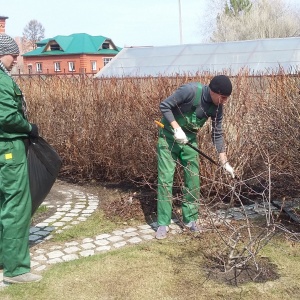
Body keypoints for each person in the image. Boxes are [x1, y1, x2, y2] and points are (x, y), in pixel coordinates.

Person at [156, 75, 235, 240]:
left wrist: (224, 161)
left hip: (189, 140)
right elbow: (164, 106)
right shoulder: (190, 91)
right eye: (223, 97)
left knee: (193, 179)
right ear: (214, 92)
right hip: (169, 137)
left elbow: (217, 133)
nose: (224, 101)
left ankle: (190, 220)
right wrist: (176, 128)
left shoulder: (218, 107)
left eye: (227, 98)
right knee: (165, 179)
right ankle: (163, 223)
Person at [0, 34, 41, 283]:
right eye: (13, 54)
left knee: (4, 204)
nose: (16, 59)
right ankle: (16, 270)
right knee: (16, 207)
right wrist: (29, 127)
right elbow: (6, 118)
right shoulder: (2, 81)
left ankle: (6, 257)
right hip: (8, 148)